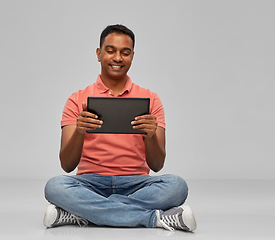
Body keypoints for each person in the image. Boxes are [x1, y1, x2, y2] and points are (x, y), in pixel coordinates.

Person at [43, 24, 196, 232]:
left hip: (136, 184)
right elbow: (67, 165)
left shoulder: (151, 99)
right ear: (99, 54)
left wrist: (151, 135)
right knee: (55, 187)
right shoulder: (76, 99)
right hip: (90, 184)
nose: (118, 58)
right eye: (110, 50)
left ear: (132, 56)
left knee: (177, 186)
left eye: (125, 52)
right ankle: (153, 218)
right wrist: (80, 130)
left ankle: (83, 213)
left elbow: (157, 164)